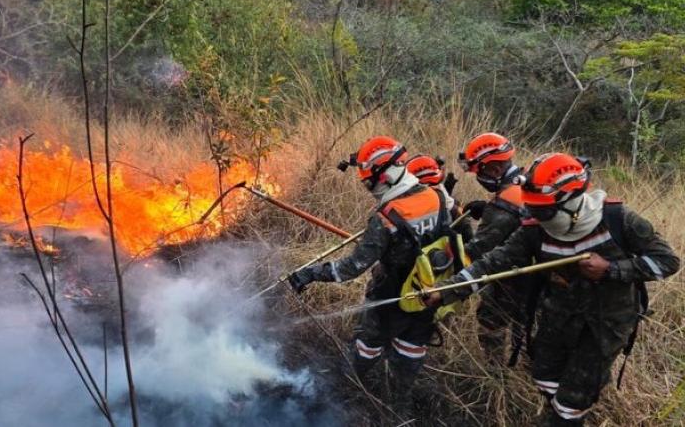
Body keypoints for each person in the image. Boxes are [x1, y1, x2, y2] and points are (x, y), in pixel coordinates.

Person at [424, 152, 680, 426]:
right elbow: (494, 261)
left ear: (570, 202)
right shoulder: (536, 229)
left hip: (605, 325)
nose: (535, 215)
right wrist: (447, 290)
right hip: (558, 317)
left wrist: (611, 269)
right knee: (544, 376)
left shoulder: (618, 220)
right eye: (532, 208)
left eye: (542, 210)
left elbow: (667, 262)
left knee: (572, 400)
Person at [288, 136, 456, 407]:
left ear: (387, 175)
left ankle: (349, 390)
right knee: (411, 350)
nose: (369, 188)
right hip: (429, 294)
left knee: (367, 345)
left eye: (370, 182)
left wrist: (309, 274)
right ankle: (398, 405)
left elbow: (352, 268)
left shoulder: (386, 217)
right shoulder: (437, 197)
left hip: (390, 297)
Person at [457, 132, 528, 360]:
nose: (478, 177)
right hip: (540, 272)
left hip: (518, 276)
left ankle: (495, 371)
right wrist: (486, 208)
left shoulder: (506, 202)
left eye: (479, 171)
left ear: (495, 169)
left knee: (491, 318)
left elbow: (477, 250)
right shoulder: (526, 180)